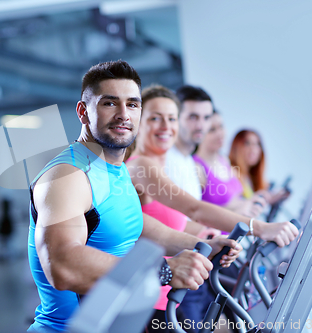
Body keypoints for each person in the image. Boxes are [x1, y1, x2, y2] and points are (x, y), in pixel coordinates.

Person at [27, 60, 242, 333]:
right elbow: (62, 265)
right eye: (109, 103)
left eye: (132, 104)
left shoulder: (114, 168)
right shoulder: (67, 176)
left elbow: (138, 227)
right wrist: (164, 271)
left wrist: (203, 244)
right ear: (83, 112)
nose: (123, 114)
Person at [125, 85, 298, 331]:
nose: (166, 126)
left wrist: (209, 239)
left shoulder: (160, 166)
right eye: (155, 118)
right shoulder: (140, 166)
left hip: (172, 293)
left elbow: (175, 223)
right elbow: (195, 208)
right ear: (138, 123)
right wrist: (260, 228)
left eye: (171, 118)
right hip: (153, 299)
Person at [194, 111, 265, 217]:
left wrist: (249, 202)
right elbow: (194, 214)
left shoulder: (225, 161)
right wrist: (237, 209)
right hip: (220, 233)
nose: (220, 134)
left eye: (221, 127)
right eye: (212, 130)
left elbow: (235, 201)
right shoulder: (196, 168)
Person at [229, 129, 290, 205]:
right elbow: (230, 203)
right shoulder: (230, 171)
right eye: (247, 143)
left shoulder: (248, 180)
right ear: (236, 146)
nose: (253, 149)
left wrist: (270, 198)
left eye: (257, 144)